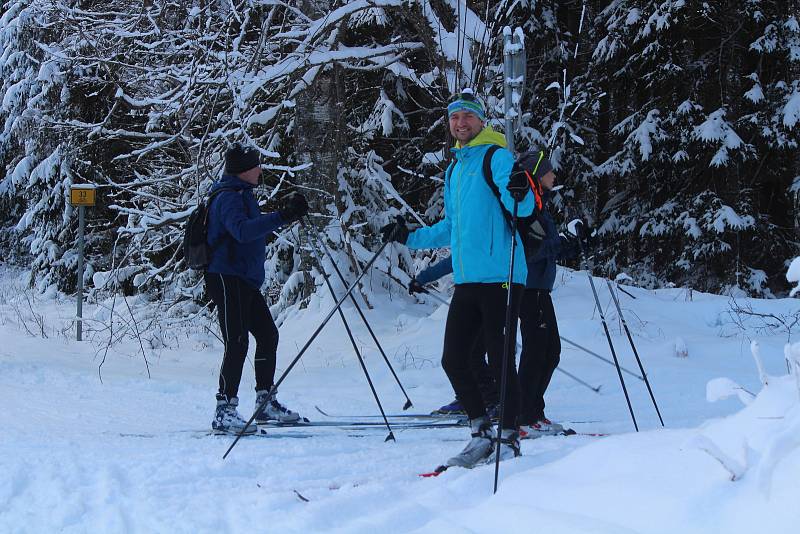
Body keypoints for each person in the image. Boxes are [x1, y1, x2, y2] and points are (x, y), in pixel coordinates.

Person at [382, 89, 535, 467]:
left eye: (467, 116)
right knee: (454, 358)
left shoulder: (495, 156)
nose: (460, 123)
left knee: (500, 360)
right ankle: (480, 431)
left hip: (502, 275)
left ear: (481, 120)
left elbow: (524, 206)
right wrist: (410, 237)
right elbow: (451, 226)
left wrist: (520, 188)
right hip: (468, 280)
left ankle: (509, 438)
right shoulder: (455, 168)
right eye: (454, 117)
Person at [205, 143, 309, 435]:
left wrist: (282, 214)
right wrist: (282, 216)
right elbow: (242, 231)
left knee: (267, 334)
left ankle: (265, 402)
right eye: (256, 165)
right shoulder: (228, 198)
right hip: (225, 277)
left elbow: (250, 229)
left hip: (243, 280)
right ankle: (224, 410)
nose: (260, 169)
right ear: (243, 170)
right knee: (237, 341)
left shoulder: (241, 194)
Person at [515, 155, 581, 438]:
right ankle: (522, 415)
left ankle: (533, 411)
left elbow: (548, 248)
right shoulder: (526, 206)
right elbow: (531, 249)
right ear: (537, 174)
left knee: (550, 351)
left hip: (540, 288)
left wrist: (574, 243)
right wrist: (561, 242)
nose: (554, 175)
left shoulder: (541, 206)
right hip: (528, 289)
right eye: (549, 171)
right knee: (537, 351)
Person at [409, 259, 499, 417]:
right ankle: (471, 399)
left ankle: (490, 400)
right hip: (470, 298)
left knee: (475, 354)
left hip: (493, 295)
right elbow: (454, 259)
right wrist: (423, 278)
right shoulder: (468, 239)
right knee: (466, 354)